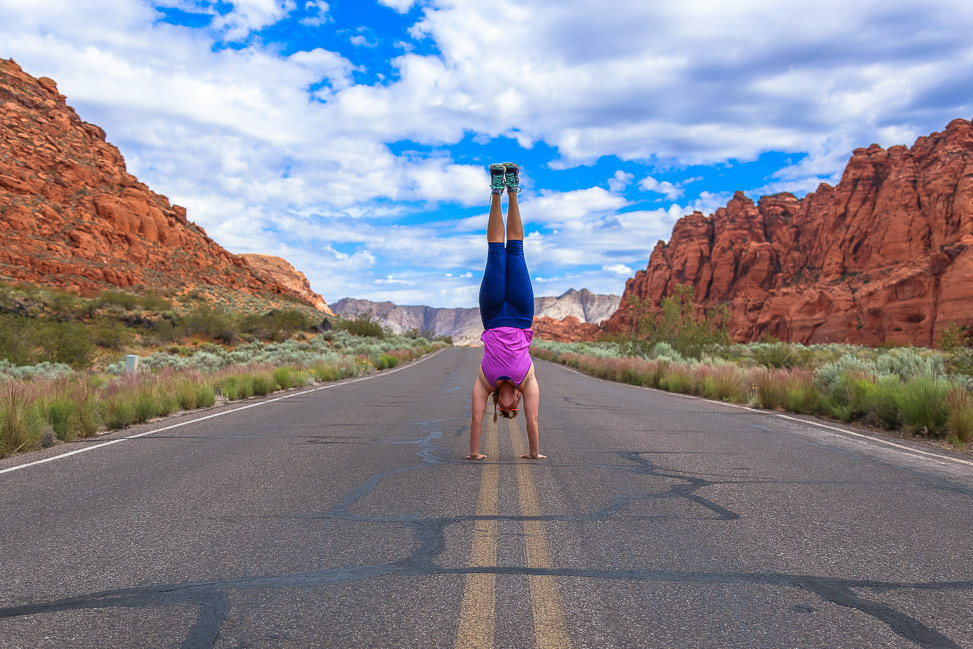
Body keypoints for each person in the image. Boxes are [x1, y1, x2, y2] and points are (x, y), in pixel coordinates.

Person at [467, 162, 545, 461]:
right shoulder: (527, 381)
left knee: (494, 252)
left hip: (493, 313)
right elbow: (533, 421)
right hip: (522, 313)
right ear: (518, 399)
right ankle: (513, 190)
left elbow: (476, 420)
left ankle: (496, 191)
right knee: (516, 250)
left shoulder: (484, 383)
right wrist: (534, 453)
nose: (507, 406)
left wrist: (474, 453)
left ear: (498, 403)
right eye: (512, 407)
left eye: (504, 409)